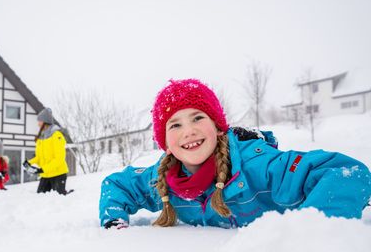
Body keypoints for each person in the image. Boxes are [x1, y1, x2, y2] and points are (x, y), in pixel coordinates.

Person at [99, 79, 371, 229]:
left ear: (218, 127)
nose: (189, 131)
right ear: (166, 143)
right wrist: (114, 220)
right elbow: (118, 185)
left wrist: (315, 237)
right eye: (175, 125)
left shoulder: (259, 166)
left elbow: (343, 173)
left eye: (197, 118)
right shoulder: (162, 180)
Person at [23, 107, 72, 195]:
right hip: (45, 175)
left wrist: (41, 170)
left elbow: (59, 159)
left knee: (59, 200)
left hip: (58, 174)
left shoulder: (57, 135)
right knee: (40, 199)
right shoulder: (40, 138)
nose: (38, 124)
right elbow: (39, 157)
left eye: (39, 121)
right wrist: (29, 163)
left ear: (45, 122)